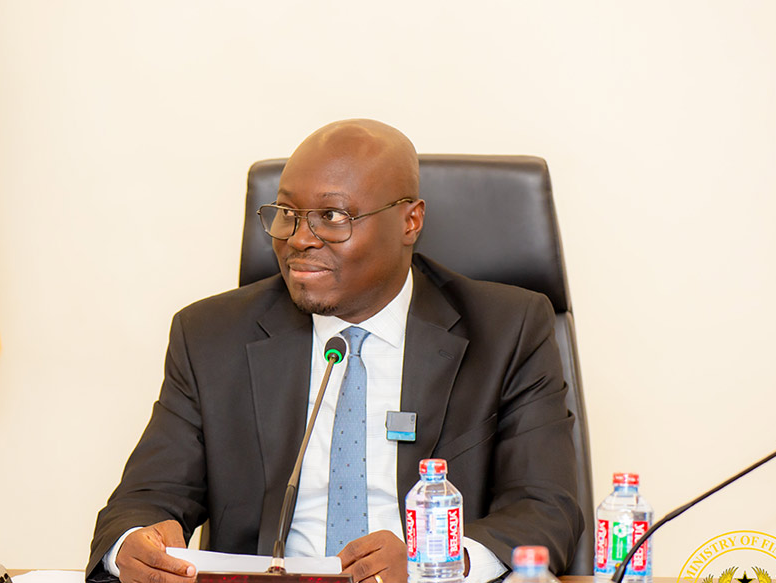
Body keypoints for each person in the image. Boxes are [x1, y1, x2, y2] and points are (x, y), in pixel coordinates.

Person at [87, 119, 583, 583]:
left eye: (332, 216)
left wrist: (433, 564)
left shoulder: (507, 330)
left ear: (410, 221)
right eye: (288, 215)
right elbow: (145, 499)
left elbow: (545, 509)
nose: (300, 240)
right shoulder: (211, 336)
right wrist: (133, 544)